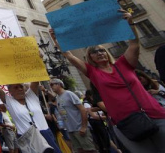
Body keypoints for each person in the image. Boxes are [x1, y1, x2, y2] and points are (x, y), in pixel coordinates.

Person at [50, 9, 165, 152]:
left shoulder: (124, 64)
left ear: (106, 53)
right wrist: (57, 39)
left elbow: (134, 44)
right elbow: (69, 56)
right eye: (94, 52)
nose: (99, 53)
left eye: (101, 50)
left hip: (153, 114)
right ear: (89, 57)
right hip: (125, 122)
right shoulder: (93, 73)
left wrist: (130, 23)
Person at [0, 83, 61, 153]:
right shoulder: (9, 101)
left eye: (21, 86)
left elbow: (36, 80)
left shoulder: (31, 95)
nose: (20, 89)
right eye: (16, 87)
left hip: (45, 133)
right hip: (28, 138)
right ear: (10, 91)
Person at [50, 79, 97, 153]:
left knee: (89, 150)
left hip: (79, 128)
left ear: (59, 84)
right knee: (79, 150)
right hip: (70, 130)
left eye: (52, 84)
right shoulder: (57, 98)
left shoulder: (69, 94)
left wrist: (84, 127)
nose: (51, 87)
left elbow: (83, 109)